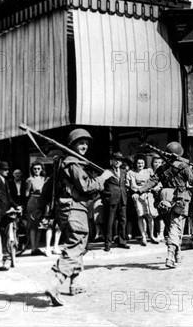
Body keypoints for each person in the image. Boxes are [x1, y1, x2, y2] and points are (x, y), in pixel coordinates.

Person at [45, 128, 110, 306]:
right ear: (72, 145)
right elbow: (86, 186)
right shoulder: (73, 163)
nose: (84, 146)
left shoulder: (61, 163)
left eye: (86, 143)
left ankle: (75, 283)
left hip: (65, 211)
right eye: (80, 143)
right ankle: (55, 283)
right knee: (75, 247)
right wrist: (103, 178)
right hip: (75, 210)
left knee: (78, 246)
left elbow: (48, 187)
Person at [155, 142, 193, 268]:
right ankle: (170, 256)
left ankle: (178, 253)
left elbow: (152, 180)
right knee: (176, 227)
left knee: (171, 227)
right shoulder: (183, 166)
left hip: (164, 198)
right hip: (179, 198)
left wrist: (141, 190)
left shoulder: (162, 167)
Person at [128, 155, 159, 246]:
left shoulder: (148, 171)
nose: (140, 164)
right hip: (138, 195)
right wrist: (140, 191)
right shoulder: (132, 173)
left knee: (150, 216)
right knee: (140, 216)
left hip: (148, 195)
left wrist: (152, 189)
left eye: (142, 163)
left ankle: (152, 235)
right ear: (136, 164)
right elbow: (133, 185)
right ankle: (143, 236)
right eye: (138, 163)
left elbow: (154, 181)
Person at [101, 152, 130, 251]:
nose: (117, 161)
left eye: (120, 160)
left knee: (123, 220)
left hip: (122, 198)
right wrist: (105, 196)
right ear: (112, 160)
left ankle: (122, 241)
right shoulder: (106, 171)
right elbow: (101, 185)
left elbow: (125, 184)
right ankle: (107, 243)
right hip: (111, 199)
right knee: (109, 221)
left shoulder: (123, 171)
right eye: (115, 159)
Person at [25, 161, 46, 255]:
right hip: (33, 202)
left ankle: (37, 247)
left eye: (38, 168)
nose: (36, 170)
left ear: (41, 169)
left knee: (40, 225)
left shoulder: (44, 179)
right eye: (34, 169)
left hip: (42, 202)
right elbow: (26, 194)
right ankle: (33, 248)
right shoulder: (29, 180)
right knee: (33, 225)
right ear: (32, 170)